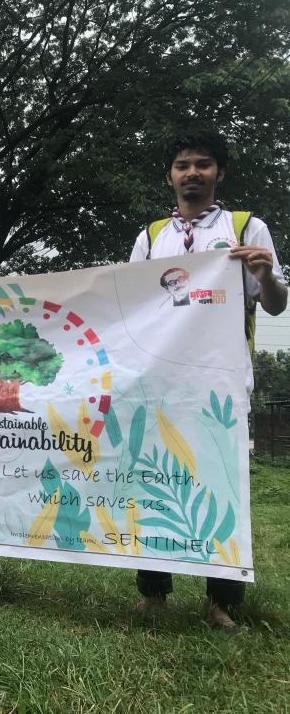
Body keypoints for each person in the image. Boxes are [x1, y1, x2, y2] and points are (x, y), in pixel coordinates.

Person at [129, 129, 288, 629]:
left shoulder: (247, 227)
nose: (192, 173)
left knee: (221, 483)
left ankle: (223, 602)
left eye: (202, 164)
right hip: (158, 380)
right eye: (182, 165)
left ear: (217, 172)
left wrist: (266, 275)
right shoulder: (152, 236)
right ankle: (154, 593)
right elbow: (129, 305)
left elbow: (277, 304)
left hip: (220, 382)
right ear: (170, 175)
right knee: (153, 478)